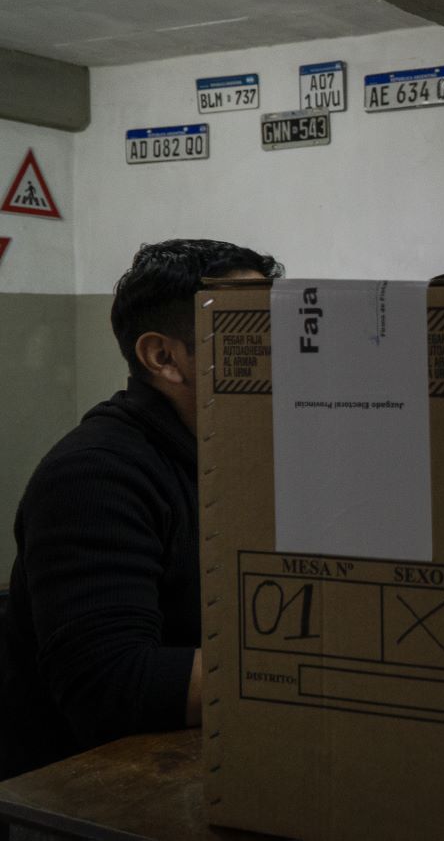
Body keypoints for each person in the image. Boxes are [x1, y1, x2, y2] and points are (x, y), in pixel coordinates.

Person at [0, 239, 282, 779]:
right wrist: (317, 675)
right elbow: (112, 684)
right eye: (254, 331)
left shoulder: (237, 454)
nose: (282, 352)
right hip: (74, 791)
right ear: (164, 357)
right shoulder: (92, 476)